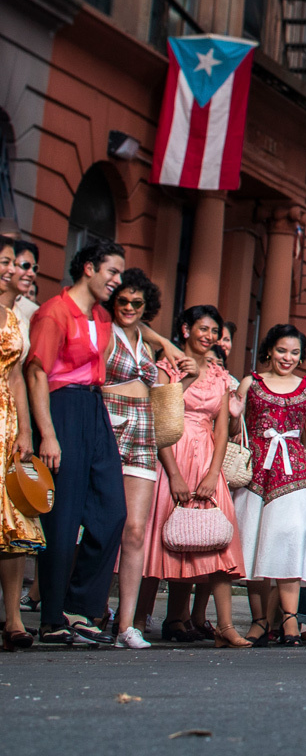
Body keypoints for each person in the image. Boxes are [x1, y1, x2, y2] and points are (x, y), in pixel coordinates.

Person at [23, 240, 128, 645]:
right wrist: (46, 434)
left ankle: (80, 607)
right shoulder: (53, 312)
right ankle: (52, 619)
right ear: (88, 267)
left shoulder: (101, 315)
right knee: (62, 519)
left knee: (111, 511)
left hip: (94, 409)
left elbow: (140, 326)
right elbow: (36, 374)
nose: (117, 281)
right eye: (112, 272)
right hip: (61, 408)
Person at [145, 305, 251, 647]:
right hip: (172, 454)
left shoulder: (220, 374)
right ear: (186, 329)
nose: (208, 337)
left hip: (207, 455)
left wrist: (213, 472)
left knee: (217, 540)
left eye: (213, 331)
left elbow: (223, 431)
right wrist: (173, 474)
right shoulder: (167, 368)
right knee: (160, 537)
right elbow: (160, 424)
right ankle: (137, 620)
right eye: (202, 329)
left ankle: (224, 626)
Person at [233, 324, 306, 646]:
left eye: (295, 352)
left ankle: (289, 620)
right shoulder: (251, 383)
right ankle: (258, 621)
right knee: (254, 543)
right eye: (282, 350)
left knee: (288, 541)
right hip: (255, 471)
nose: (288, 357)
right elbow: (234, 426)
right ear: (270, 350)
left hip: (296, 472)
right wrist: (232, 413)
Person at [101, 269, 169, 648]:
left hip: (144, 426)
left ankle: (126, 623)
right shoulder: (103, 330)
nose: (128, 307)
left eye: (136, 303)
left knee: (136, 530)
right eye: (122, 301)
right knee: (95, 524)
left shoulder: (145, 339)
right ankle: (87, 609)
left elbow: (162, 387)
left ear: (147, 306)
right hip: (109, 419)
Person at [0, 238, 45, 649]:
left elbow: (15, 376)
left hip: (6, 424)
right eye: (5, 262)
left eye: (14, 263)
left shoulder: (13, 317)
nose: (12, 269)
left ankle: (13, 619)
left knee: (11, 519)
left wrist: (26, 430)